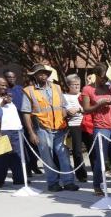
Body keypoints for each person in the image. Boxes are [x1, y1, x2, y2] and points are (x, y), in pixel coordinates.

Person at [21, 64, 80, 192]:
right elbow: (26, 113)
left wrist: (68, 113)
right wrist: (31, 133)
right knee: (47, 157)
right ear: (34, 76)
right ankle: (53, 183)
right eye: (39, 73)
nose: (43, 75)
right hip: (42, 129)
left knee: (64, 155)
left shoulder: (56, 87)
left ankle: (68, 182)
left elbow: (63, 106)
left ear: (48, 75)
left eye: (45, 73)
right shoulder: (29, 91)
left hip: (60, 128)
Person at [81, 64, 111, 197]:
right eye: (103, 78)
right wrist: (99, 104)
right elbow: (86, 109)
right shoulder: (88, 89)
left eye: (107, 78)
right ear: (96, 75)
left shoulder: (110, 87)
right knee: (101, 159)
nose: (105, 80)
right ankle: (97, 186)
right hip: (100, 127)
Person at [0, 76, 25, 188]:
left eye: (6, 85)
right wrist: (2, 103)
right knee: (1, 158)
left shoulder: (8, 97)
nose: (5, 87)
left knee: (17, 156)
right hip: (2, 130)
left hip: (15, 130)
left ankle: (19, 179)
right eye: (2, 85)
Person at [4, 68, 40, 175]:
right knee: (21, 147)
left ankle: (34, 165)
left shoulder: (21, 89)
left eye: (13, 77)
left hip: (25, 120)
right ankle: (26, 170)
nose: (11, 79)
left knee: (32, 145)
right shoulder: (3, 91)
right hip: (13, 123)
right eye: (9, 77)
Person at [64, 74, 87, 183]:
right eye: (74, 84)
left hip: (86, 123)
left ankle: (98, 174)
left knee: (93, 149)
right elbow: (70, 111)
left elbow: (88, 108)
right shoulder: (64, 96)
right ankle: (81, 175)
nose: (77, 86)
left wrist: (79, 109)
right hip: (73, 125)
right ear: (68, 85)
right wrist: (81, 109)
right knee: (77, 151)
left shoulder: (83, 95)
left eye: (78, 84)